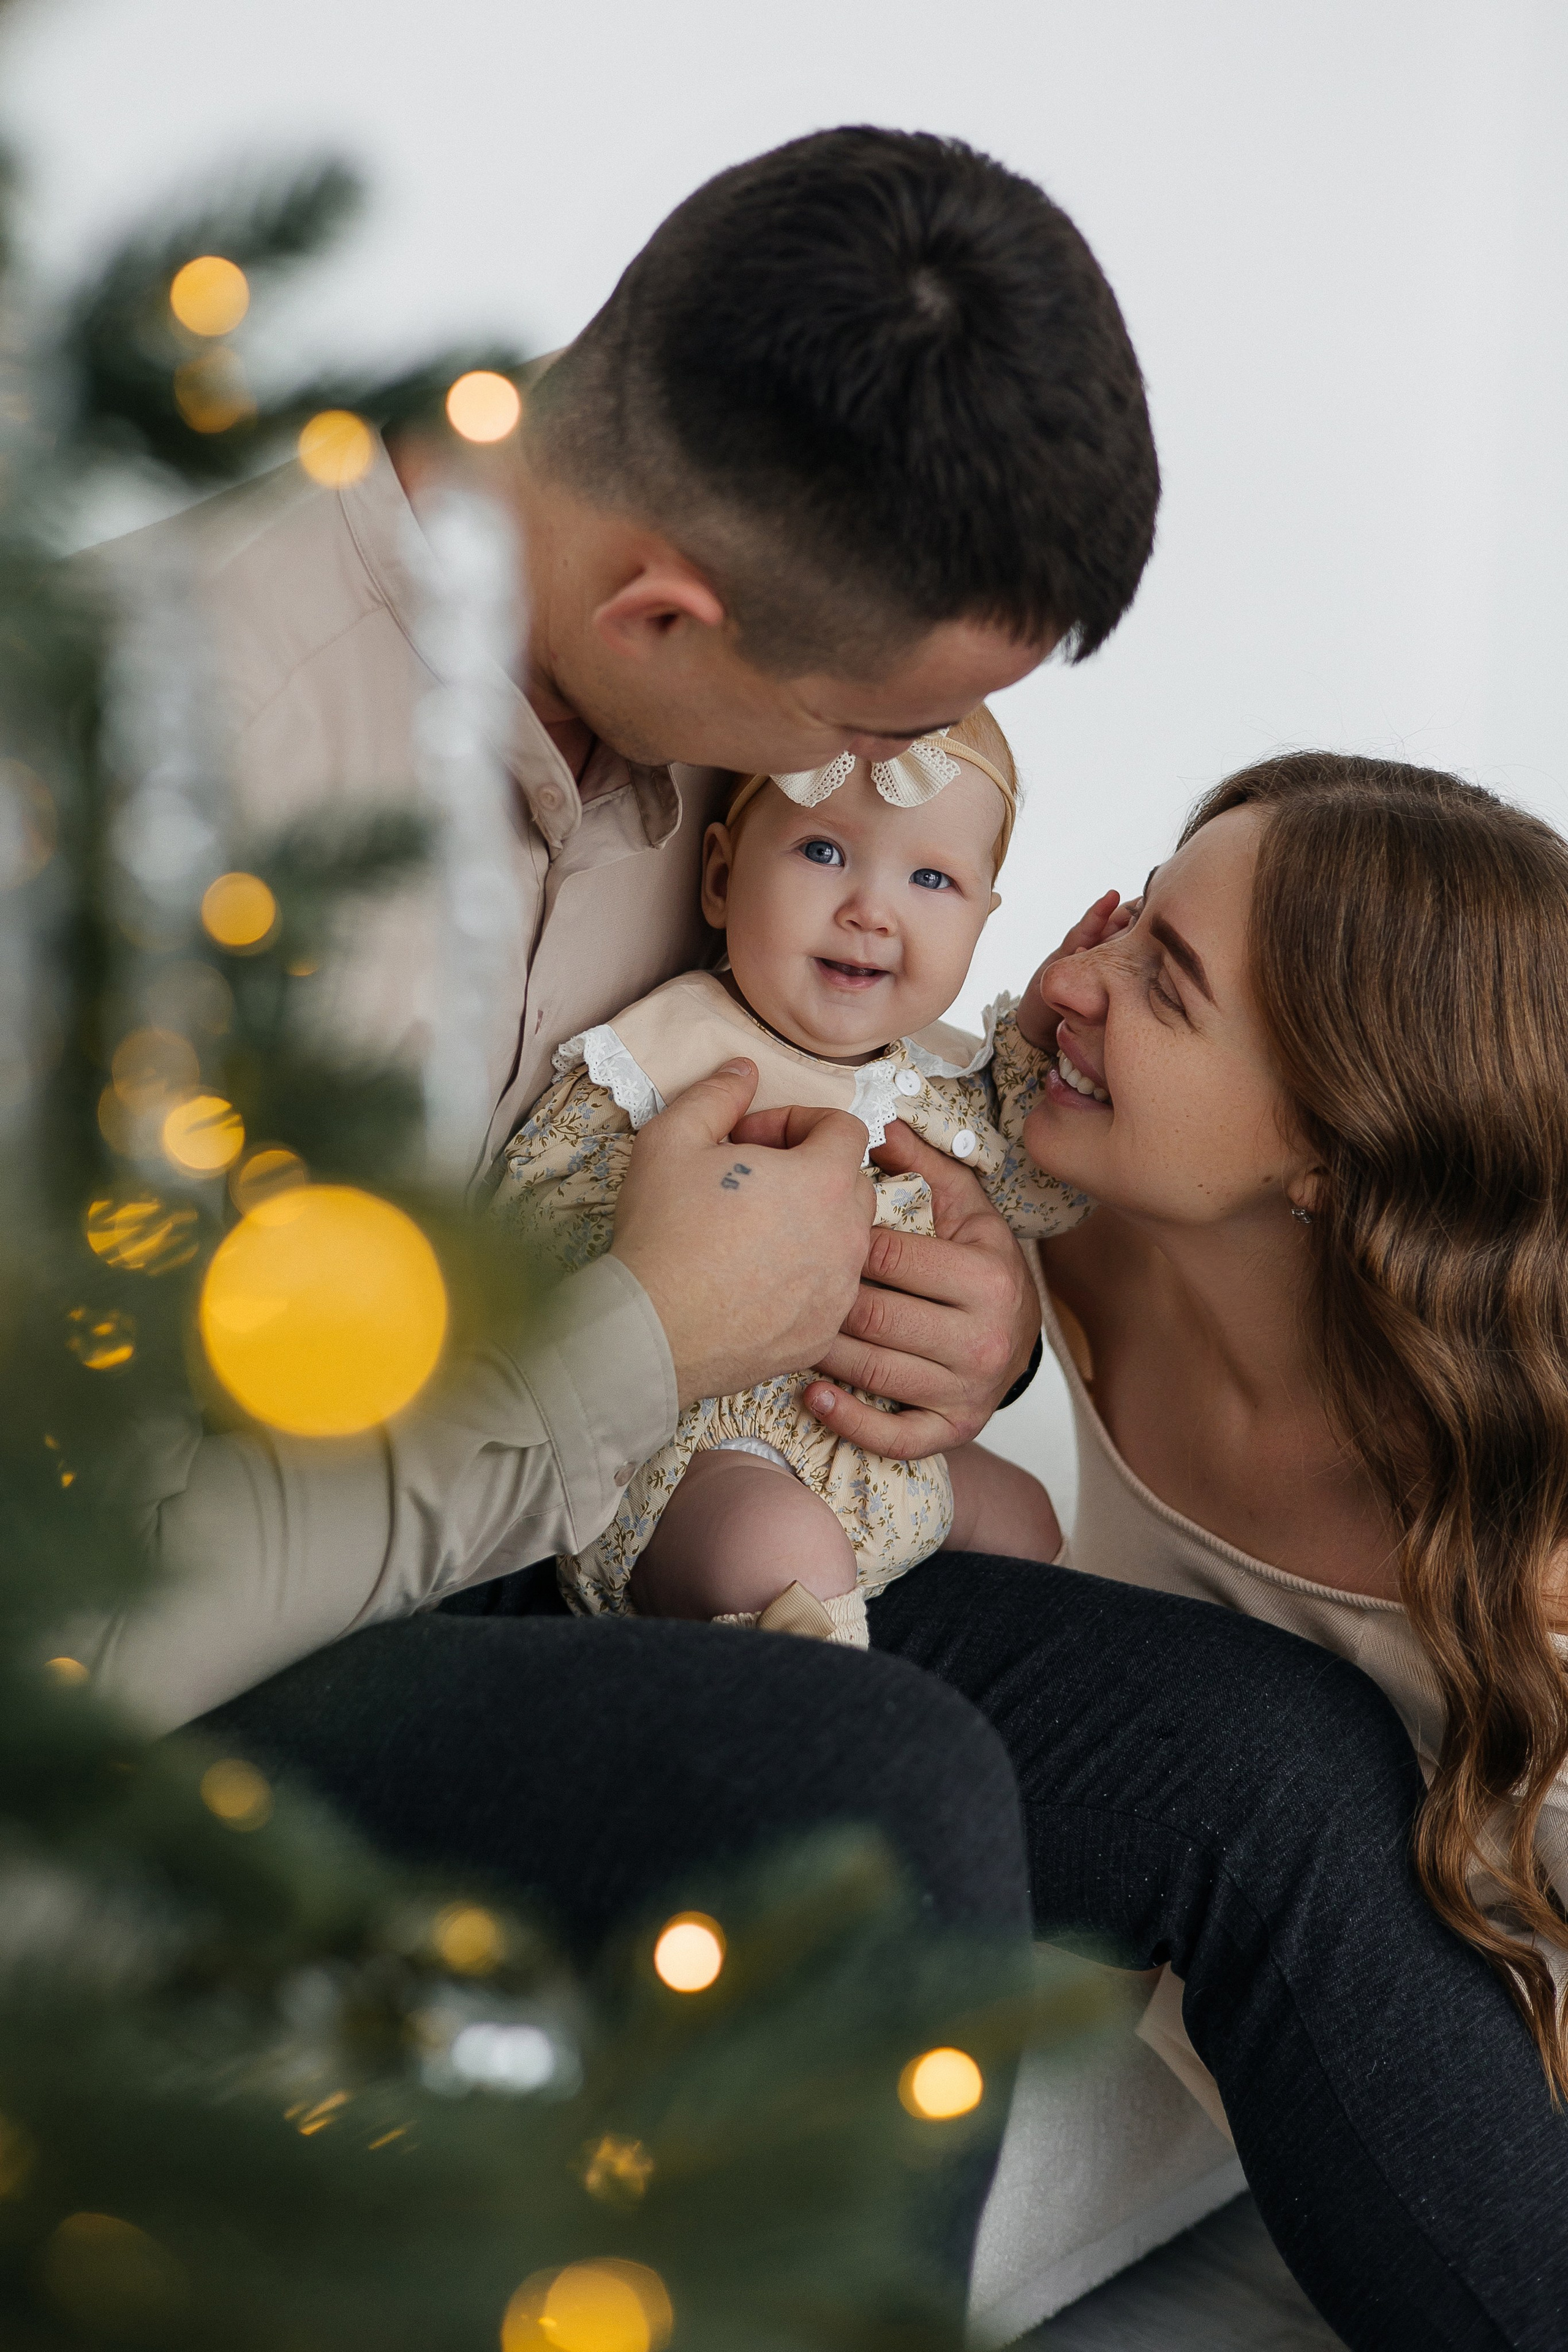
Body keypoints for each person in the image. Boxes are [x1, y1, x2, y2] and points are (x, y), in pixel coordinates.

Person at [83, 130, 1568, 2347]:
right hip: (238, 1651)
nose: (868, 820)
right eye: (859, 741)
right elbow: (102, 1589)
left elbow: (870, 1103)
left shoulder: (655, 689)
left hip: (612, 1523)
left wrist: (959, 1317)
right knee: (883, 1784)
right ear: (670, 618)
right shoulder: (160, 784)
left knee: (1269, 1764)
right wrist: (649, 1340)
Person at [1012, 750, 1568, 2124]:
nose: (1076, 978)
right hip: (1243, 2045)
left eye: (1164, 981)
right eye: (1130, 918)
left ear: (1332, 1143)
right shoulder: (1052, 1234)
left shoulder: (1528, 1536)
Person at [493, 706, 1075, 1643]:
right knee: (778, 1547)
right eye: (822, 853)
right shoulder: (674, 1055)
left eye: (931, 878)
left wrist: (1042, 1053)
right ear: (721, 876)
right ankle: (821, 1731)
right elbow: (530, 1213)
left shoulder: (928, 1082)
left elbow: (1032, 1198)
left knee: (1029, 1514)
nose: (871, 911)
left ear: (981, 917)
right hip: (703, 1453)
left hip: (875, 1450)